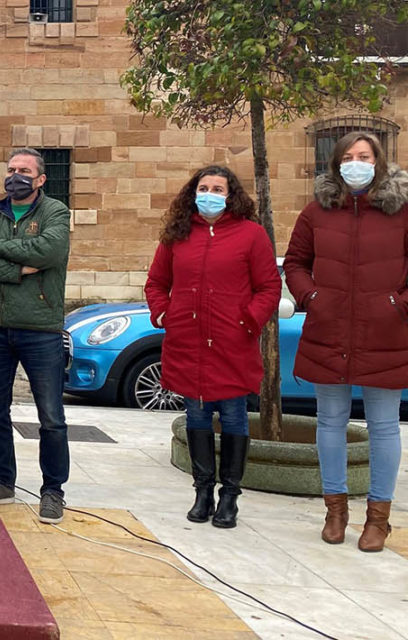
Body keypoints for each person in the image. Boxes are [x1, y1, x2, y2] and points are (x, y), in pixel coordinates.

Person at [285, 131, 407, 552]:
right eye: (349, 156)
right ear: (336, 164)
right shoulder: (316, 212)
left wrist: (397, 305)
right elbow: (296, 262)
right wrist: (311, 297)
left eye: (365, 156)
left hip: (386, 333)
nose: (357, 163)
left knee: (384, 426)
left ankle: (379, 518)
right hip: (329, 329)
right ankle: (335, 511)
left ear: (379, 161)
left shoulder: (402, 211)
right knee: (330, 422)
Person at [144, 166, 281, 529]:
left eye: (217, 188)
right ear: (193, 193)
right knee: (196, 415)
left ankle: (230, 496)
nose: (209, 193)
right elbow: (157, 282)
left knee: (234, 415)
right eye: (203, 187)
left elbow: (269, 287)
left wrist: (248, 321)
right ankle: (202, 491)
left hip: (232, 342)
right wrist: (163, 314)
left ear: (230, 194)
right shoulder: (178, 234)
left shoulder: (251, 235)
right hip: (188, 342)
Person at [0, 148, 71, 524]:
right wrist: (16, 269)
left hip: (40, 329)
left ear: (41, 179)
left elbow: (50, 250)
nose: (16, 176)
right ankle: (3, 481)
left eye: (24, 170)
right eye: (11, 169)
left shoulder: (55, 212)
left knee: (51, 417)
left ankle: (53, 490)